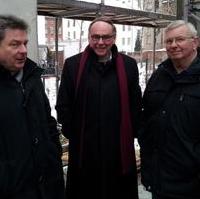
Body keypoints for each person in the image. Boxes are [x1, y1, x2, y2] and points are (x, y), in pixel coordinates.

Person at [56, 16, 142, 199]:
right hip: (84, 150)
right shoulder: (73, 65)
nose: (100, 42)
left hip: (118, 150)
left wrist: (130, 132)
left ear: (114, 38)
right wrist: (75, 133)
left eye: (106, 37)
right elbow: (63, 104)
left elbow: (136, 104)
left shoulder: (129, 65)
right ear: (89, 37)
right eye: (95, 37)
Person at [0, 15, 65, 199]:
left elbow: (48, 122)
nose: (23, 50)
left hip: (48, 187)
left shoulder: (32, 79)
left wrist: (54, 153)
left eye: (25, 43)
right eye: (14, 44)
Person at [138, 20, 200, 199]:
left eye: (179, 39)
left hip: (192, 183)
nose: (173, 45)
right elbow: (145, 116)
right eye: (169, 41)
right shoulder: (160, 76)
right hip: (160, 179)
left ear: (195, 42)